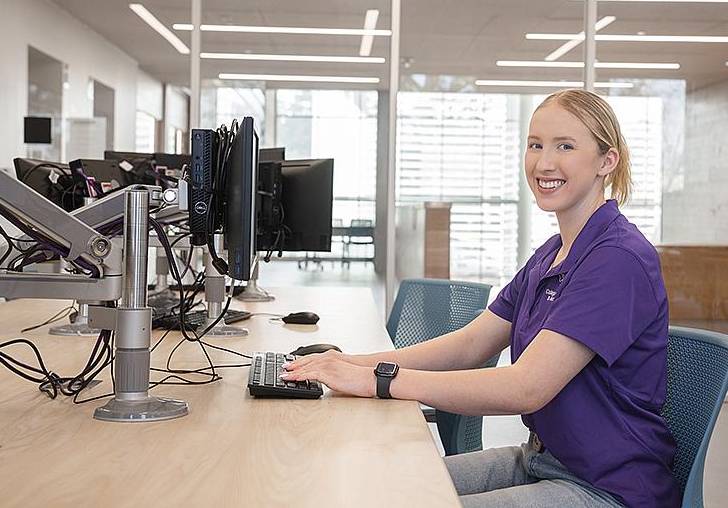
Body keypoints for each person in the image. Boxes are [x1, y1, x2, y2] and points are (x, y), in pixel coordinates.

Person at [282, 89, 680, 508]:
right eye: (535, 145)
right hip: (542, 460)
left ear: (607, 160)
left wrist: (379, 381)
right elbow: (472, 344)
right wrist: (349, 364)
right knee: (377, 485)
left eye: (565, 146)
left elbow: (526, 389)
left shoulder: (617, 258)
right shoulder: (553, 252)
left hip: (607, 487)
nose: (544, 162)